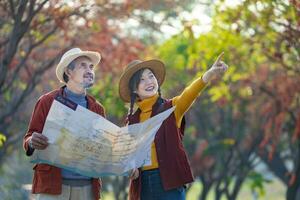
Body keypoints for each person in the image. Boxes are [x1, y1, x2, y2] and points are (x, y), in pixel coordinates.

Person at [118, 52, 228, 200]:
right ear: (134, 90)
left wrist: (209, 74)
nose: (149, 81)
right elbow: (129, 157)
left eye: (151, 76)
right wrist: (131, 168)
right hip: (142, 185)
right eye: (142, 80)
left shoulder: (171, 108)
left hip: (170, 182)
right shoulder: (132, 121)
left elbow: (189, 94)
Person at [23, 48, 105, 200]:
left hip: (87, 187)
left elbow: (100, 147)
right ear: (68, 71)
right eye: (83, 66)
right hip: (52, 186)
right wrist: (32, 141)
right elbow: (29, 137)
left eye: (91, 67)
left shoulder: (97, 109)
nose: (89, 70)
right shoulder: (47, 101)